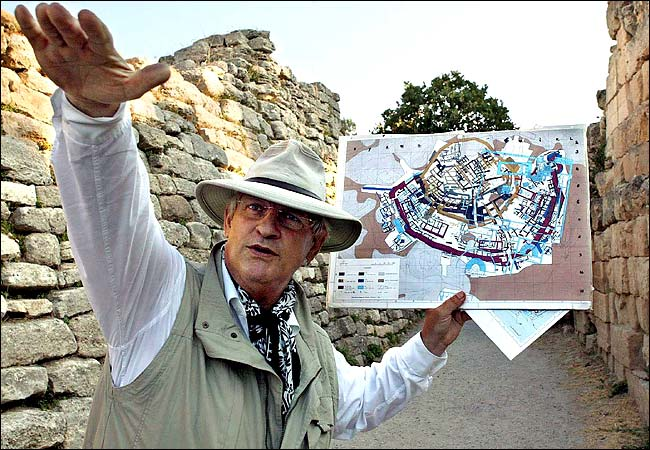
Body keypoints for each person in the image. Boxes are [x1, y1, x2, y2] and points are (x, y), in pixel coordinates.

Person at [14, 3, 471, 448]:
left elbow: (360, 400)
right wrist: (94, 118)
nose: (267, 227)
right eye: (254, 209)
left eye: (290, 218)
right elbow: (109, 211)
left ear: (313, 246)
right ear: (229, 219)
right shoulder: (158, 301)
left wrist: (428, 345)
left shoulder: (310, 347)